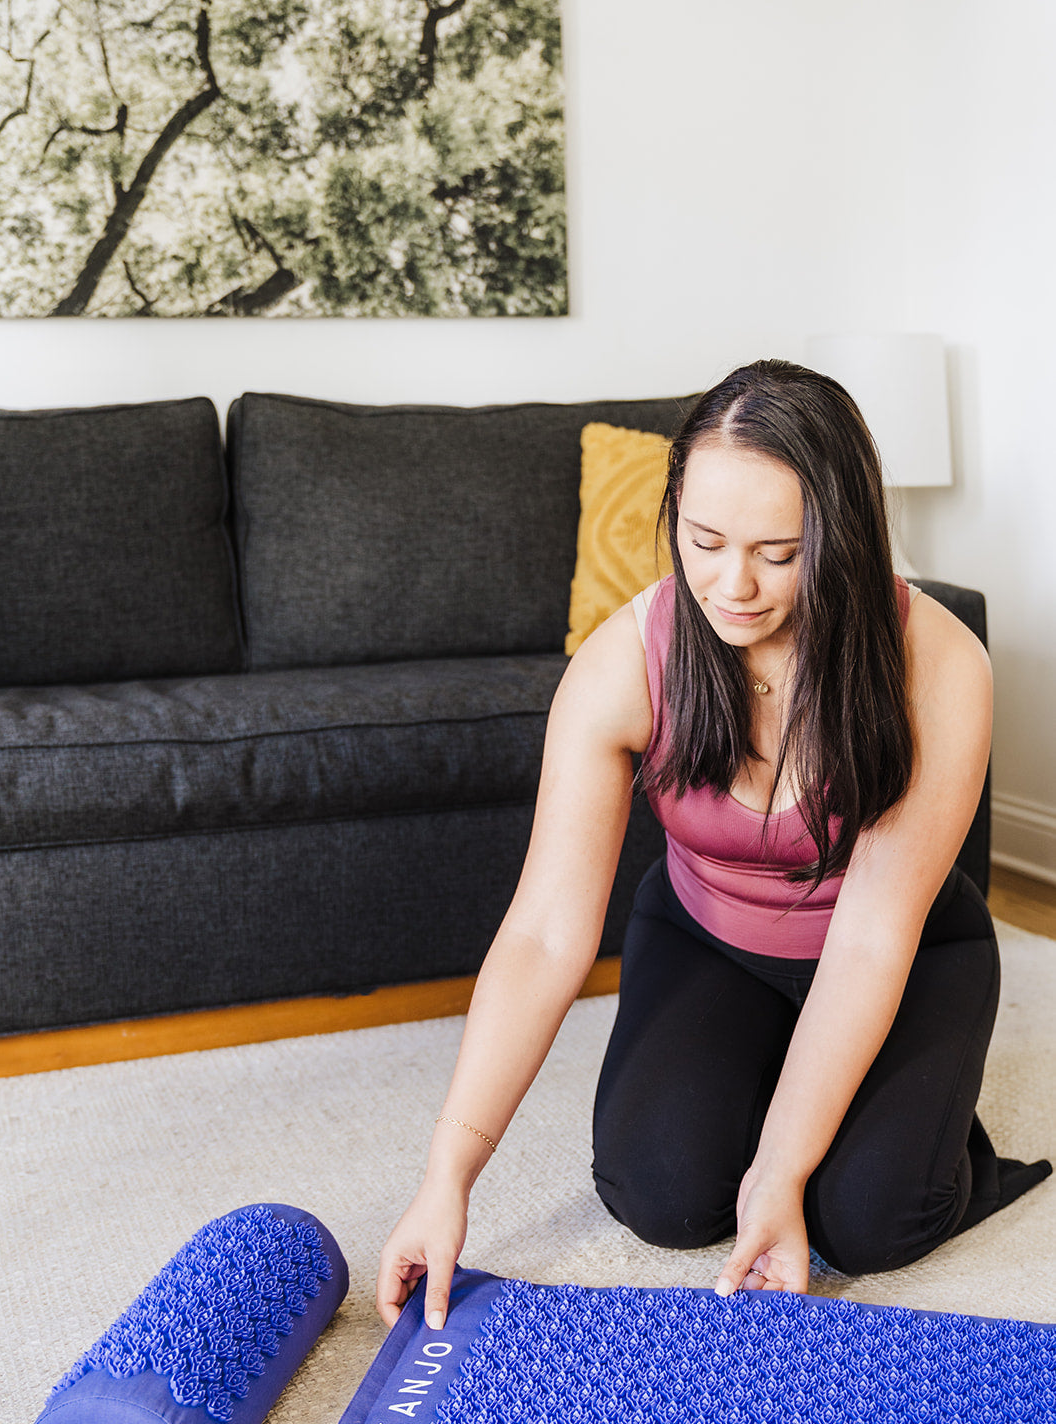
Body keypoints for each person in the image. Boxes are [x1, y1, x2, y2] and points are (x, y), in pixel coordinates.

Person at [376, 359, 1050, 1331]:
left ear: (843, 539)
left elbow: (867, 940)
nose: (732, 585)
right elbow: (542, 934)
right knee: (664, 1199)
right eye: (704, 542)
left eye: (778, 553)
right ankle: (779, 1077)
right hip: (708, 937)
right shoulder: (624, 663)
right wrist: (448, 1175)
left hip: (894, 951)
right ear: (676, 516)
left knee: (868, 1222)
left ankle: (921, 1126)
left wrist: (781, 1171)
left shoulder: (937, 664)